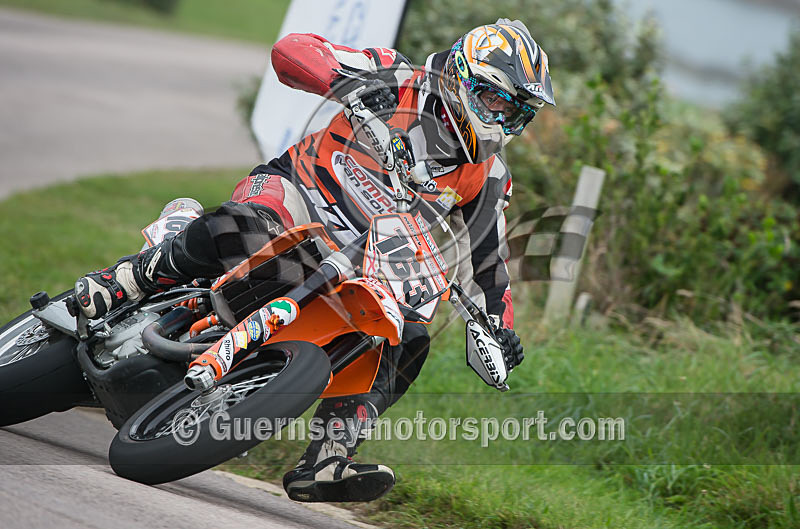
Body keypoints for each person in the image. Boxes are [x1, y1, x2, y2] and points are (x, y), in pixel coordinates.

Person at [74, 18, 554, 502]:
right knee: (246, 225)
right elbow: (292, 50)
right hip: (297, 197)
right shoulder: (394, 75)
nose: (504, 121)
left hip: (367, 257)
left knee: (408, 335)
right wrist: (341, 83)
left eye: (518, 114)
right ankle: (126, 281)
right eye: (498, 102)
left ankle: (327, 459)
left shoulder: (489, 176)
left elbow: (488, 261)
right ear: (463, 77)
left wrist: (499, 327)